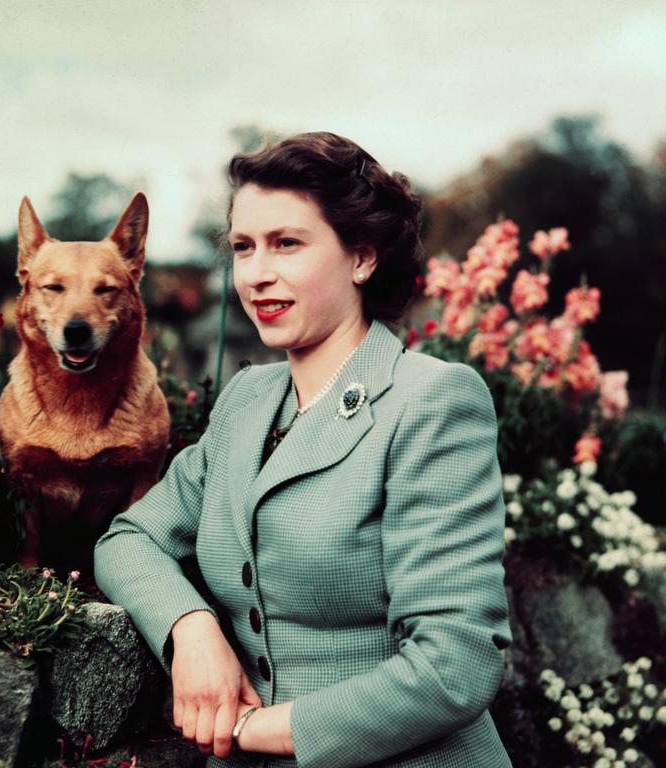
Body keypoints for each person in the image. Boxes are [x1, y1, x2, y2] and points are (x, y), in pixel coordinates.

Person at [93, 131, 513, 768]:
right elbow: (128, 539)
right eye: (243, 247)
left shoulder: (431, 401)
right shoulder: (247, 402)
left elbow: (455, 663)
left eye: (287, 243)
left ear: (362, 257)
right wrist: (191, 629)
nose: (258, 273)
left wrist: (258, 730)